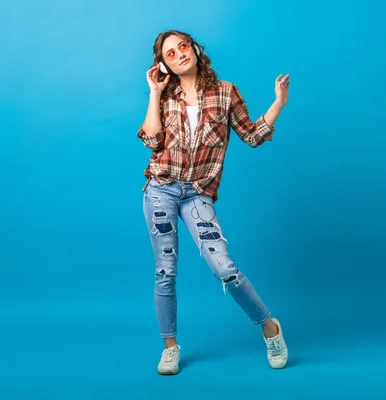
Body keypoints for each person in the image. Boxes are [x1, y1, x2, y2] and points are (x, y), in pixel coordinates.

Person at [137, 30, 290, 375]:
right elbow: (152, 140)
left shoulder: (225, 93)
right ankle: (170, 348)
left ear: (194, 48)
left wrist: (278, 103)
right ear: (164, 64)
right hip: (160, 189)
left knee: (224, 269)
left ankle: (270, 328)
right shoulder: (165, 95)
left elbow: (251, 136)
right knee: (165, 272)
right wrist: (154, 92)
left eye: (183, 46)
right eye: (170, 54)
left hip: (197, 193)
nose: (180, 54)